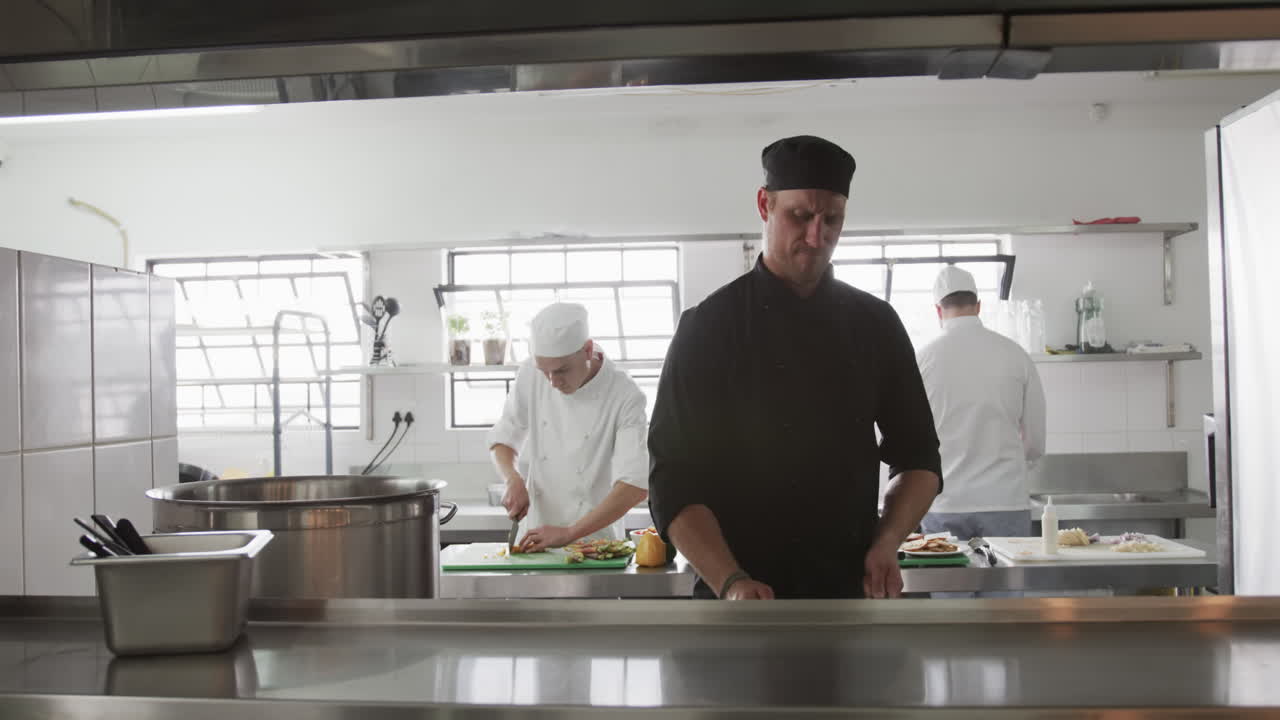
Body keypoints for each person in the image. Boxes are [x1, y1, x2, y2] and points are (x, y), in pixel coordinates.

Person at [647, 135, 943, 600]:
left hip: (850, 594)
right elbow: (673, 481)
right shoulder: (709, 327)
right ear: (765, 205)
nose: (816, 237)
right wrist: (730, 580)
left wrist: (888, 541)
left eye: (833, 220)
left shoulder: (874, 323)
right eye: (800, 216)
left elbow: (920, 456)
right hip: (738, 597)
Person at [487, 302, 650, 552]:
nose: (552, 382)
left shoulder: (625, 395)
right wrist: (512, 479)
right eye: (545, 372)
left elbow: (635, 485)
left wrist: (569, 533)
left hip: (595, 546)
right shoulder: (530, 373)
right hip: (534, 539)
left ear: (587, 350)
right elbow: (504, 438)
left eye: (562, 370)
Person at [915, 267, 1046, 541]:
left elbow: (911, 439)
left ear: (938, 310)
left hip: (944, 504)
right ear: (978, 306)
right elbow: (1035, 443)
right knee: (1004, 583)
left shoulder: (923, 360)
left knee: (948, 584)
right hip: (1005, 502)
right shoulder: (1015, 355)